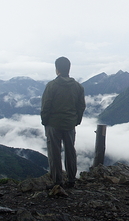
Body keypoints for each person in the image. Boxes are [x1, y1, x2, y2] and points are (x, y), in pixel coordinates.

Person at [41, 57, 86, 188]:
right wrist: (76, 120)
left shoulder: (51, 86)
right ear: (69, 68)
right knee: (70, 151)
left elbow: (46, 106)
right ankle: (71, 179)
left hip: (53, 124)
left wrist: (45, 121)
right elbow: (81, 106)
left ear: (57, 69)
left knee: (54, 153)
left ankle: (57, 181)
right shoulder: (78, 87)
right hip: (70, 124)